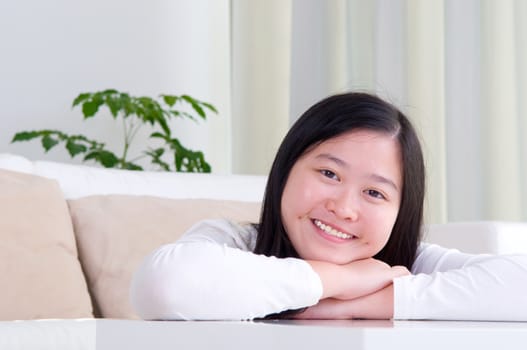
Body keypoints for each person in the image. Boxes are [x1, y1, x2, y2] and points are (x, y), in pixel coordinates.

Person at [130, 92, 527, 321]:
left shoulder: (405, 260)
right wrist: (346, 280)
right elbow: (164, 287)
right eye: (329, 174)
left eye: (375, 193)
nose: (343, 208)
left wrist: (327, 309)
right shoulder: (233, 240)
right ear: (286, 170)